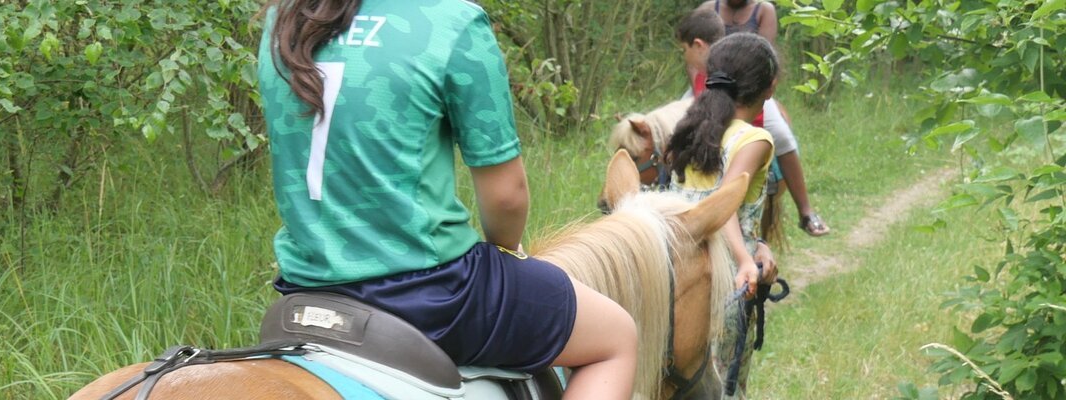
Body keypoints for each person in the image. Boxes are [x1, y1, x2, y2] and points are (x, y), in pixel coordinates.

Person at [258, 0, 636, 397]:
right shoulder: (451, 21)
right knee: (616, 339)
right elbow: (507, 197)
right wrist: (507, 251)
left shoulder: (284, 20)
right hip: (432, 294)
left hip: (303, 288)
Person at [664, 32, 783, 397]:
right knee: (722, 385)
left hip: (672, 269)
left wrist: (758, 243)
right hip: (722, 280)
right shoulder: (754, 140)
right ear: (770, 86)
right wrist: (745, 259)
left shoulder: (692, 129)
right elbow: (724, 202)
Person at [685, 3, 833, 237]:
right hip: (712, 82)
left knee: (782, 135)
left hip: (748, 85)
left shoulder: (764, 10)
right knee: (675, 125)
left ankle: (805, 210)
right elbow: (693, 54)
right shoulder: (708, 7)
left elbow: (763, 57)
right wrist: (699, 91)